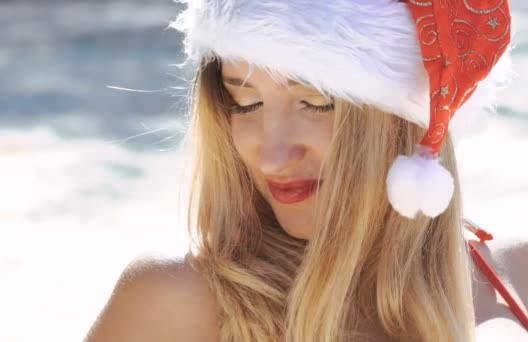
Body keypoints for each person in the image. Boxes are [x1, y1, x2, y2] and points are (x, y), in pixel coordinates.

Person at [85, 0, 528, 341]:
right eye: (245, 102)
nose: (273, 156)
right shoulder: (176, 305)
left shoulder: (516, 275)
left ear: (406, 118)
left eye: (316, 103)